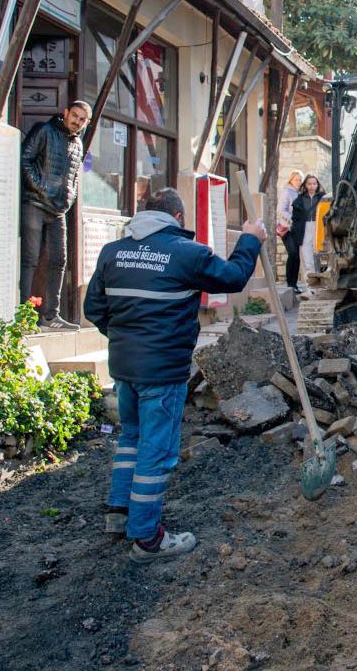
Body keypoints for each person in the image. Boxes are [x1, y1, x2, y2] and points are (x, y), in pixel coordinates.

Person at [84, 188, 266, 563]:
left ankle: (118, 514)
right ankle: (148, 537)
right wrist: (250, 238)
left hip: (125, 368)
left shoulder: (112, 253)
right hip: (163, 370)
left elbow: (94, 310)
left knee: (131, 437)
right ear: (178, 218)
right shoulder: (186, 254)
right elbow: (232, 277)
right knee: (158, 451)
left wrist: (126, 339)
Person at [20, 101, 92, 331]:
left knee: (59, 261)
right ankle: (24, 317)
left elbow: (75, 177)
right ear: (66, 113)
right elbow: (25, 159)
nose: (77, 122)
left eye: (82, 120)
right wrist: (41, 187)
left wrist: (70, 198)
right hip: (35, 203)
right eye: (75, 116)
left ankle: (51, 316)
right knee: (29, 260)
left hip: (58, 210)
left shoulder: (78, 143)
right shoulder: (44, 130)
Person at [290, 174, 326, 292]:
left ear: (317, 184)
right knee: (307, 260)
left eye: (314, 183)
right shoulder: (299, 200)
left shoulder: (323, 198)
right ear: (305, 185)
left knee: (318, 258)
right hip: (304, 229)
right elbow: (295, 218)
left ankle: (319, 287)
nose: (311, 186)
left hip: (318, 228)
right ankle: (309, 288)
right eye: (309, 184)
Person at [276, 169, 304, 293]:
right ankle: (290, 284)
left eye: (300, 180)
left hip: (297, 229)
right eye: (296, 179)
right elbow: (281, 210)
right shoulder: (287, 192)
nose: (298, 182)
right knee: (292, 253)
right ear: (291, 180)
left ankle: (294, 285)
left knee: (296, 256)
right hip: (287, 229)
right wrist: (292, 220)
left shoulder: (299, 193)